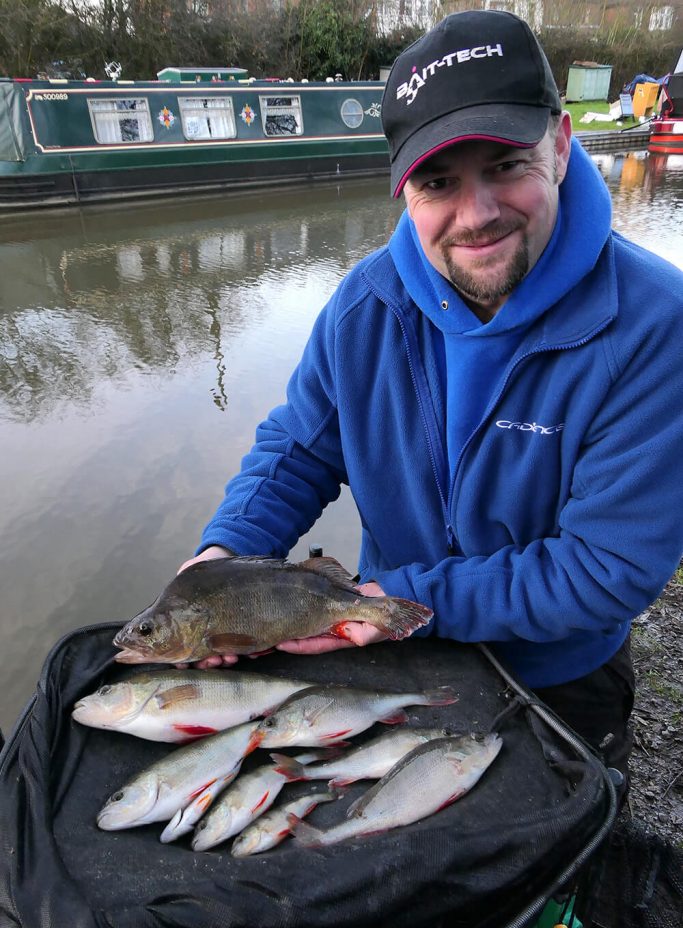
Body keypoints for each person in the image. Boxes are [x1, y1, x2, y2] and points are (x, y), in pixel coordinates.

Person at [180, 10, 683, 782]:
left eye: (506, 164)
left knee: (547, 869)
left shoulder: (654, 324)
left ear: (559, 143)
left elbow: (603, 568)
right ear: (402, 189)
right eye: (439, 182)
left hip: (556, 673)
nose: (475, 214)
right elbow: (298, 450)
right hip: (393, 651)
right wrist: (215, 568)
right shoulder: (363, 306)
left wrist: (395, 600)